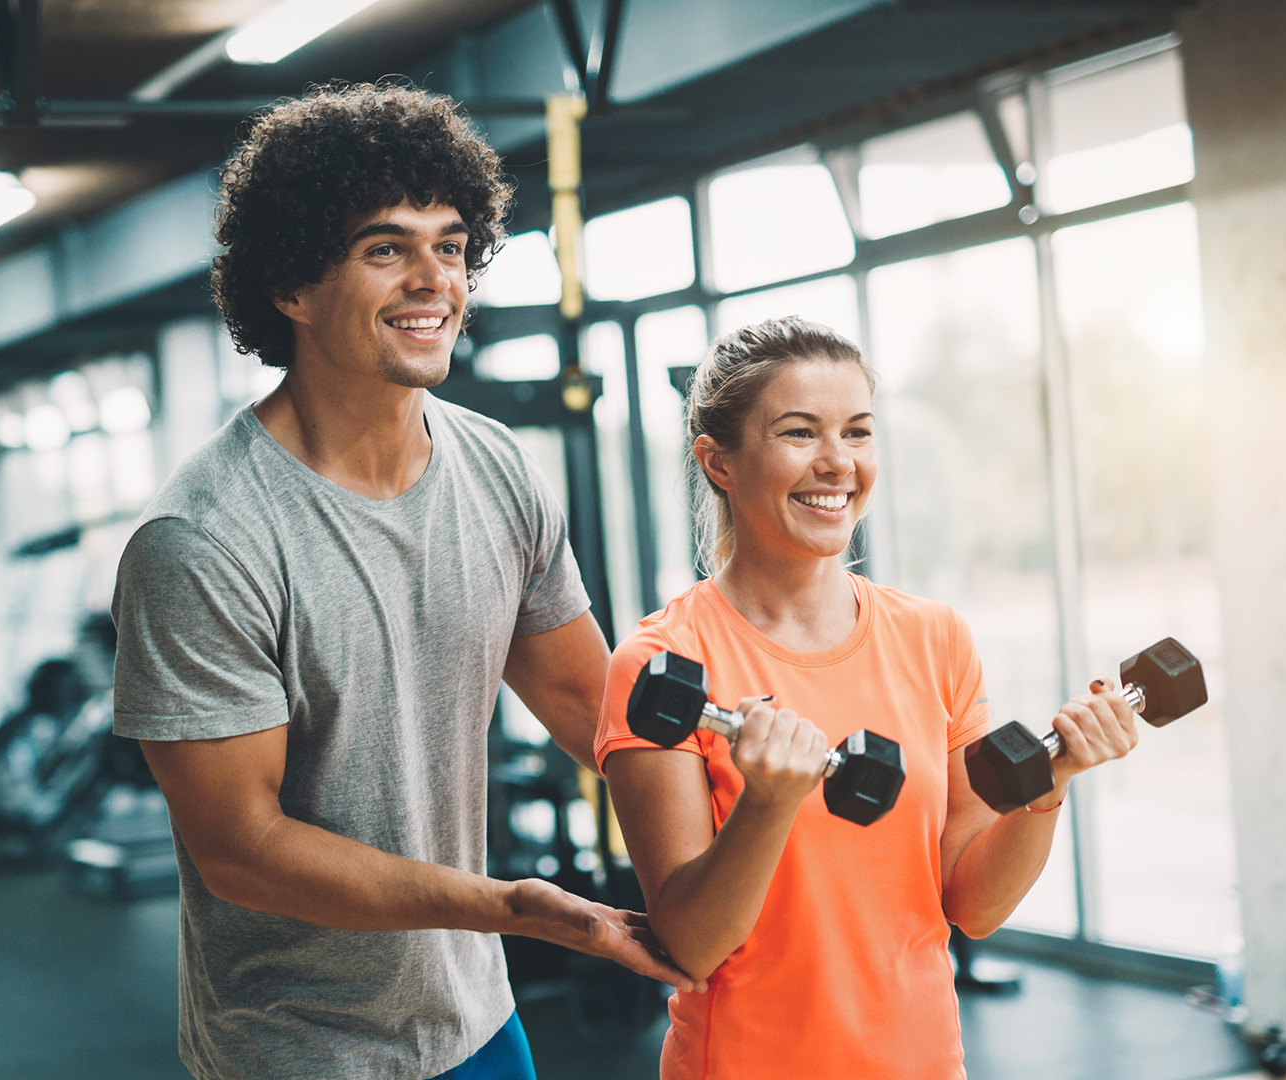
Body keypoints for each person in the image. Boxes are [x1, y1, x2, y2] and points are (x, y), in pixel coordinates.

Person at [112, 83, 693, 1080]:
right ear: (292, 286)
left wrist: (755, 817)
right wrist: (509, 907)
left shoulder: (498, 468)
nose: (436, 280)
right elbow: (242, 848)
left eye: (453, 245)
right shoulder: (202, 539)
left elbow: (585, 702)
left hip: (473, 1019)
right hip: (295, 1048)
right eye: (388, 248)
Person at [595, 317, 1142, 1080]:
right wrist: (768, 804)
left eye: (857, 433)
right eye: (799, 433)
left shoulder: (934, 637)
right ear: (718, 462)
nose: (837, 463)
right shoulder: (660, 662)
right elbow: (688, 943)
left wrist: (1049, 785)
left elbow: (971, 904)